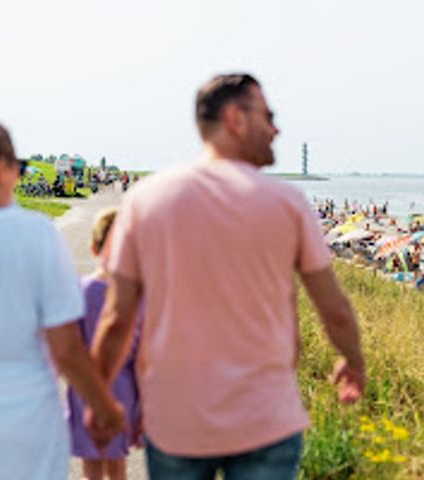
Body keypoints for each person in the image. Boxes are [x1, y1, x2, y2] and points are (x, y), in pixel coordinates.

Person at [89, 74, 366, 479]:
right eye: (268, 116)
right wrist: (353, 361)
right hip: (266, 420)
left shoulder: (146, 199)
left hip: (175, 419)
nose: (276, 129)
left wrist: (98, 397)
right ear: (235, 118)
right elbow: (334, 308)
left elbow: (117, 318)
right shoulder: (286, 202)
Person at [0, 121, 125, 480]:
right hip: (26, 414)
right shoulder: (36, 234)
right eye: (17, 166)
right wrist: (103, 405)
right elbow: (66, 347)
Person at [67, 207, 142, 480]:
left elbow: (68, 345)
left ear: (93, 247)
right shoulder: (136, 295)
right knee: (117, 462)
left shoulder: (78, 289)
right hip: (123, 386)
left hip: (84, 388)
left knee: (91, 464)